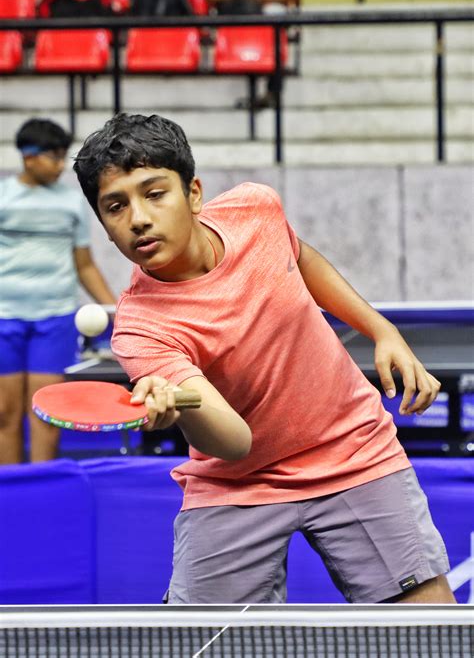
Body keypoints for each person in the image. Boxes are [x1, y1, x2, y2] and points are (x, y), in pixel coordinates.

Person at [73, 112, 455, 605]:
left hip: (354, 452)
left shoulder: (254, 208)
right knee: (200, 643)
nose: (139, 218)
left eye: (154, 193)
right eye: (116, 206)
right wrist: (181, 409)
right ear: (105, 227)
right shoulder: (142, 328)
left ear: (193, 193)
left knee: (428, 630)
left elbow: (299, 258)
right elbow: (233, 443)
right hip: (235, 487)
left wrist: (381, 329)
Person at [0, 118, 116, 464]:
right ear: (28, 157)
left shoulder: (72, 202)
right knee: (5, 412)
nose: (59, 164)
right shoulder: (3, 197)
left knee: (44, 412)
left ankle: (43, 490)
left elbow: (84, 265)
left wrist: (116, 309)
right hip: (4, 318)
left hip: (55, 319)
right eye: (53, 156)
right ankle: (11, 493)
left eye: (63, 156)